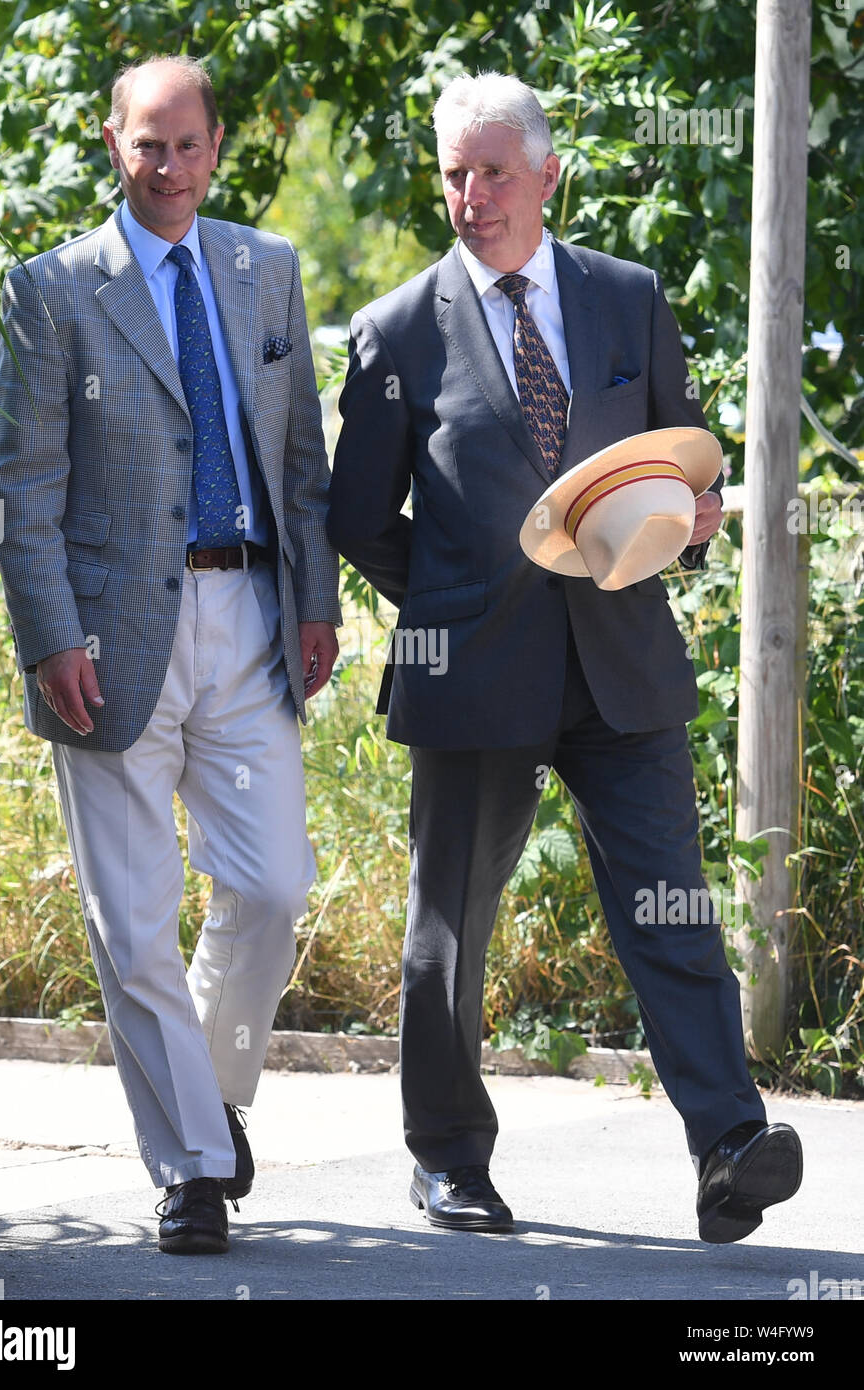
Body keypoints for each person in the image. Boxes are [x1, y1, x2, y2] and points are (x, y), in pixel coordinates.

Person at [328, 71, 801, 1244]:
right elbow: (354, 517)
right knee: (451, 928)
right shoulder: (394, 330)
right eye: (453, 173)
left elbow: (681, 466)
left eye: (493, 171)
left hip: (621, 663)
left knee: (672, 904)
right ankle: (447, 1160)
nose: (471, 195)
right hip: (471, 672)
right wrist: (452, 596)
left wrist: (681, 524)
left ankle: (728, 1147)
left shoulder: (625, 298)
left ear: (549, 175)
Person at [0, 55, 340, 1255]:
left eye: (189, 145)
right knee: (131, 921)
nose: (171, 167)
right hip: (106, 639)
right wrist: (47, 638)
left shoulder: (266, 269)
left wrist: (317, 601)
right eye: (148, 146)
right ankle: (192, 1167)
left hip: (248, 621)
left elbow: (301, 461)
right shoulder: (52, 292)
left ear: (217, 142)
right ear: (111, 144)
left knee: (274, 882)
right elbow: (24, 484)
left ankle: (212, 1096)